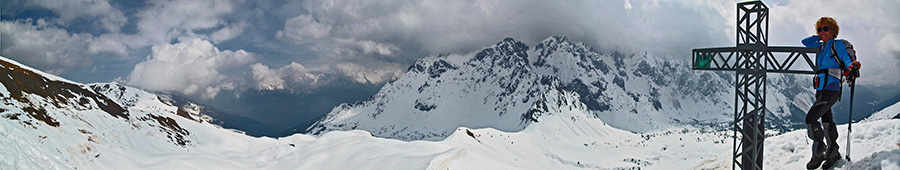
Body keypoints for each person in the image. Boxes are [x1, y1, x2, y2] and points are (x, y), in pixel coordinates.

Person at [800, 16, 861, 169]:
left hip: (832, 88)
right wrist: (819, 37)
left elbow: (845, 59)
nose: (822, 32)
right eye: (819, 29)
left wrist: (852, 65)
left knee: (810, 118)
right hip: (821, 88)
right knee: (826, 119)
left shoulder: (837, 44)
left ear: (834, 31)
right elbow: (805, 42)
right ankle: (832, 151)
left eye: (825, 29)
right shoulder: (821, 46)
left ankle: (819, 152)